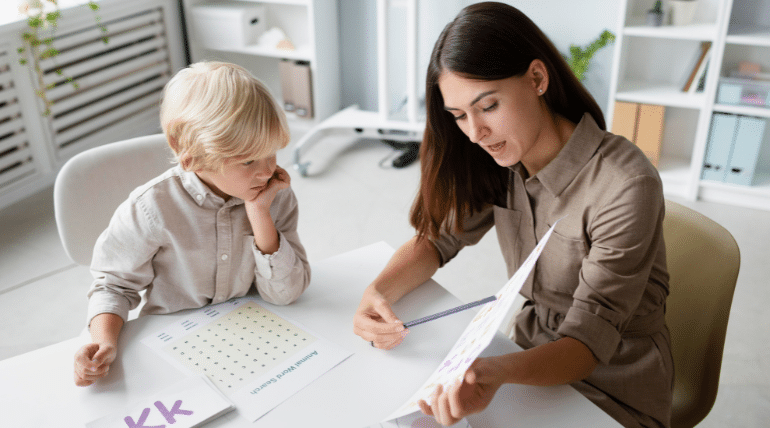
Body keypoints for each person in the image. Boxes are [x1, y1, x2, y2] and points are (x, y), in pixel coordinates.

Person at [352, 3, 673, 427]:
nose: (474, 133)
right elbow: (438, 240)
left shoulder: (625, 185)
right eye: (459, 116)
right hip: (525, 353)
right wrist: (378, 293)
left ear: (537, 79)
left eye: (487, 106)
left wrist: (495, 372)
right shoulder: (502, 157)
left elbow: (586, 344)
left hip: (610, 380)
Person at [73, 62, 311, 387]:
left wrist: (259, 214)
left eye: (272, 152)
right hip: (174, 344)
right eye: (248, 160)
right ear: (192, 156)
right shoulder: (151, 207)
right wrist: (105, 342)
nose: (267, 171)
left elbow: (286, 293)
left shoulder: (275, 196)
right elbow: (113, 286)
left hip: (250, 335)